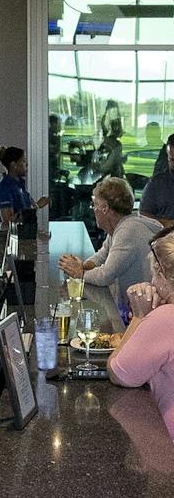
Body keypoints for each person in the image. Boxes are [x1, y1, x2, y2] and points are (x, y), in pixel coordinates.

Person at [58, 178, 161, 311]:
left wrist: (80, 273)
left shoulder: (128, 230)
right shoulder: (120, 226)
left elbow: (106, 275)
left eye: (94, 205)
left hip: (143, 307)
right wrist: (82, 266)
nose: (93, 210)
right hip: (134, 302)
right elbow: (102, 255)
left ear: (105, 208)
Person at [111, 231, 174, 437]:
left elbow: (119, 373)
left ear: (161, 272)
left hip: (166, 449)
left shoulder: (167, 317)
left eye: (153, 275)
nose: (152, 282)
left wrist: (139, 316)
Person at [0, 145, 50, 226]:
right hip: (13, 237)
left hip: (26, 234)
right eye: (23, 161)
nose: (27, 164)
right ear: (14, 164)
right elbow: (8, 221)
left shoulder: (19, 184)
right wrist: (37, 206)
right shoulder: (4, 188)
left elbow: (28, 208)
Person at [140, 134, 174, 229]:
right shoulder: (156, 184)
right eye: (172, 160)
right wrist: (167, 223)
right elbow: (143, 215)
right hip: (163, 238)